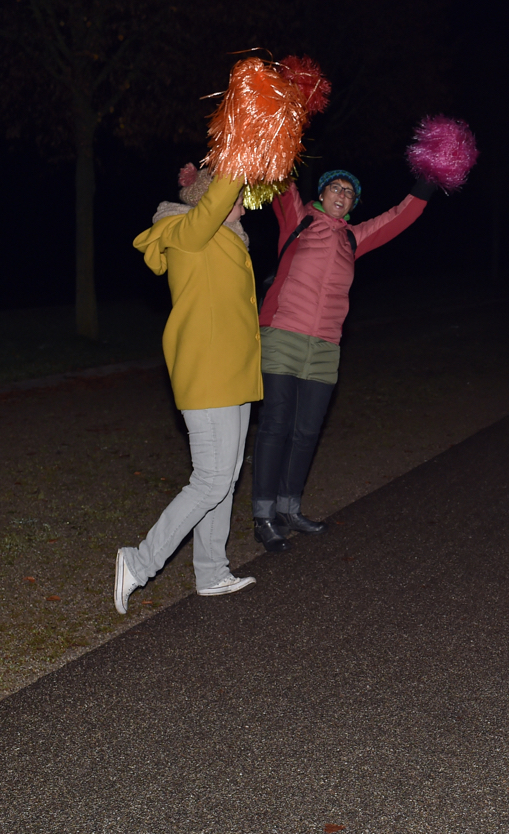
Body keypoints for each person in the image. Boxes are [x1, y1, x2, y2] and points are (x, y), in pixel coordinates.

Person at [251, 170, 437, 551]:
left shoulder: (353, 237)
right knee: (276, 423)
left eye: (350, 192)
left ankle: (289, 509)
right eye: (336, 187)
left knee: (307, 431)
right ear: (321, 192)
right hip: (283, 333)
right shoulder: (297, 217)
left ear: (353, 204)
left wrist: (429, 179)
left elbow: (400, 216)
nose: (342, 194)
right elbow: (279, 179)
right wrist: (273, 135)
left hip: (325, 346)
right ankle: (264, 516)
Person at [116, 165, 262, 613]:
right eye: (235, 193)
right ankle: (138, 562)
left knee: (226, 478)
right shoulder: (186, 231)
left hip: (233, 372)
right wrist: (237, 156)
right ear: (206, 198)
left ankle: (211, 570)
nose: (243, 200)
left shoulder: (224, 238)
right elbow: (217, 201)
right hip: (207, 371)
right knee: (211, 479)